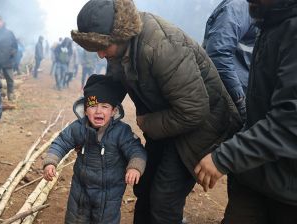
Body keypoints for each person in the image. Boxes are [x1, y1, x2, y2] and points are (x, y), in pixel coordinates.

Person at [71, 0, 241, 223]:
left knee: (163, 201)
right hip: (167, 121)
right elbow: (113, 86)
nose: (100, 55)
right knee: (144, 186)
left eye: (103, 47)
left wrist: (146, 123)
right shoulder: (118, 49)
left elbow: (194, 110)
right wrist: (89, 123)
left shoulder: (160, 46)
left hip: (199, 128)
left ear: (119, 35)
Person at [194, 0, 297, 223]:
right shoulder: (269, 21)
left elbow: (290, 121)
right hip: (253, 175)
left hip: (288, 190)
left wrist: (226, 156)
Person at [43, 74, 146, 223]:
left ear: (114, 111)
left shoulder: (121, 132)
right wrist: (51, 162)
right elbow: (61, 142)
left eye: (104, 106)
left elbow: (136, 149)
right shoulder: (78, 128)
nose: (98, 111)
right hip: (81, 190)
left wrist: (135, 167)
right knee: (76, 219)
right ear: (85, 110)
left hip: (110, 195)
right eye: (92, 106)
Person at [202, 0, 257, 122]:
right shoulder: (240, 6)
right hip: (225, 103)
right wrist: (241, 101)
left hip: (235, 104)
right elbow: (218, 53)